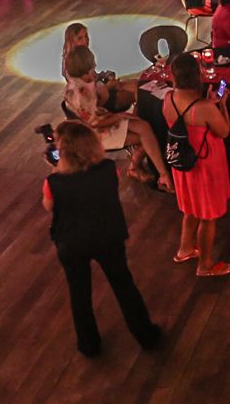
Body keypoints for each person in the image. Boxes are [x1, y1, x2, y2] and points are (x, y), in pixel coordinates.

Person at [41, 120, 162, 358]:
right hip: (107, 236)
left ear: (62, 152)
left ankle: (89, 345)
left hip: (71, 243)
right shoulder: (108, 169)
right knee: (124, 285)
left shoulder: (53, 183)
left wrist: (56, 170)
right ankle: (146, 335)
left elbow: (49, 206)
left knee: (79, 293)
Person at [62, 46, 173, 191]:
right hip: (94, 133)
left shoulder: (79, 82)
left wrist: (108, 90)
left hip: (101, 118)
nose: (95, 66)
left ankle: (143, 168)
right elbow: (94, 123)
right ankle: (162, 174)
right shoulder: (80, 93)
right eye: (92, 64)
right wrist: (120, 116)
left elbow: (96, 105)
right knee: (148, 131)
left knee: (144, 126)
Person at [164, 53, 230, 277]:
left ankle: (184, 249)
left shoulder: (168, 99)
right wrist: (222, 106)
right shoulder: (205, 108)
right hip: (205, 166)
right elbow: (224, 131)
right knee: (208, 216)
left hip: (183, 165)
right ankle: (205, 265)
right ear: (198, 76)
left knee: (191, 209)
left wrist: (208, 105)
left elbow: (184, 121)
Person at [61, 23, 136, 112]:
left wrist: (105, 75)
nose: (85, 40)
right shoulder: (71, 63)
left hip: (101, 91)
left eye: (86, 36)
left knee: (135, 86)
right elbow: (86, 95)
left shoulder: (82, 54)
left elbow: (92, 77)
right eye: (80, 38)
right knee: (136, 92)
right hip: (99, 101)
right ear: (72, 41)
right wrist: (107, 87)